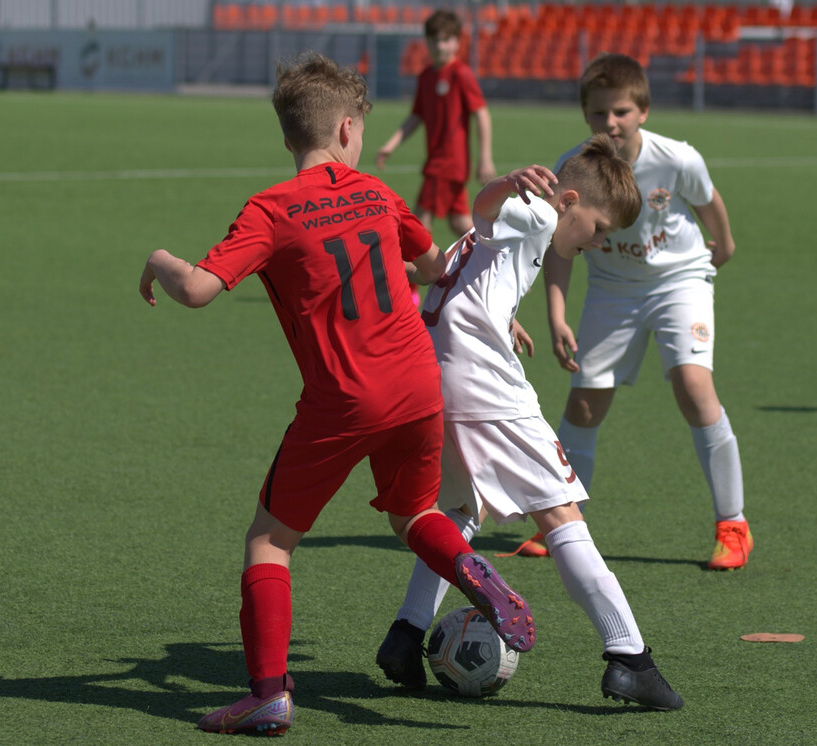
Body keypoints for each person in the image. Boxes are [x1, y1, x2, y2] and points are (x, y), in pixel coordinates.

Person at [138, 52, 535, 737]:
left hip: (345, 398)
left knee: (269, 543)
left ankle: (266, 695)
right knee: (413, 513)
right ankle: (470, 569)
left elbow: (199, 290)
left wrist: (160, 263)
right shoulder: (378, 194)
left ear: (288, 136)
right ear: (349, 130)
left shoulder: (271, 208)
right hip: (416, 383)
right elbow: (438, 265)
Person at [375, 136, 684, 712]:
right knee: (561, 512)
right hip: (486, 389)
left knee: (461, 513)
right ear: (569, 201)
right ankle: (629, 657)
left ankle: (406, 634)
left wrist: (506, 317)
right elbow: (487, 209)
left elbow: (473, 266)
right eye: (596, 228)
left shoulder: (535, 231)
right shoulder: (539, 210)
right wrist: (504, 185)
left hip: (432, 378)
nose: (595, 244)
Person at [511, 53, 750, 570]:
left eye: (620, 111)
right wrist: (557, 314)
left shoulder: (677, 158)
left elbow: (710, 204)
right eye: (598, 114)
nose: (610, 123)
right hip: (612, 290)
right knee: (585, 405)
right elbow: (558, 245)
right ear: (585, 115)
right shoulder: (572, 168)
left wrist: (723, 246)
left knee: (693, 386)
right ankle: (560, 522)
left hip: (678, 282)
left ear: (643, 110)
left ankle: (733, 526)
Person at [376, 8, 495, 240]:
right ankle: (495, 255)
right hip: (439, 162)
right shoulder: (426, 76)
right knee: (459, 221)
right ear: (427, 42)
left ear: (456, 42)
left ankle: (416, 276)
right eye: (434, 40)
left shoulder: (461, 74)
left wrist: (485, 158)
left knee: (419, 222)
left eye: (445, 40)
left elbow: (482, 114)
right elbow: (415, 117)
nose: (439, 46)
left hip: (447, 163)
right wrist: (390, 145)